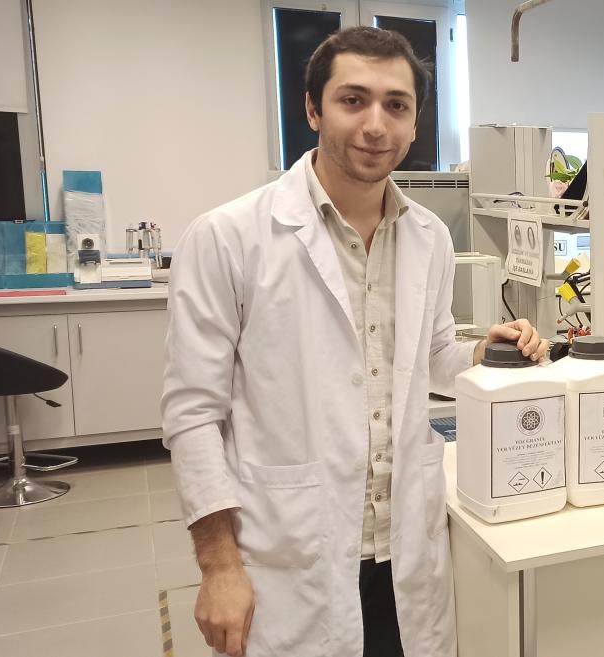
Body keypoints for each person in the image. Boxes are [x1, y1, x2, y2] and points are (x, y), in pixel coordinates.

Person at [161, 26, 548, 657]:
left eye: (396, 105)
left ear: (415, 123)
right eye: (352, 100)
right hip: (290, 552)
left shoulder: (429, 237)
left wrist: (483, 353)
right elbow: (192, 415)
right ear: (313, 109)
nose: (375, 125)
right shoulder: (228, 238)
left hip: (405, 550)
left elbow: (431, 360)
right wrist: (219, 566)